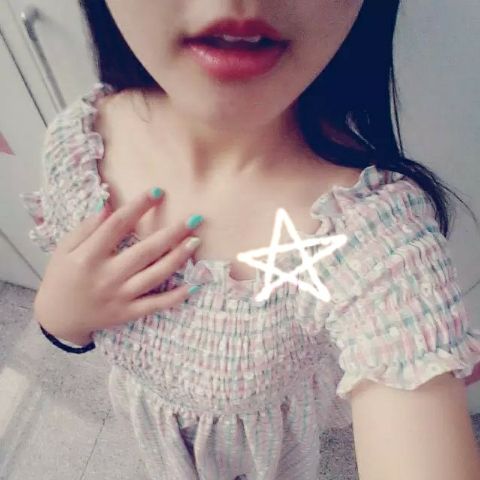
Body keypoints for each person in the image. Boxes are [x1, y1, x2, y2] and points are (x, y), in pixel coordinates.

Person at [19, 1, 480, 479]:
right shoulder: (78, 146)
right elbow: (65, 323)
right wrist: (59, 314)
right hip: (152, 428)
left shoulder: (373, 234)